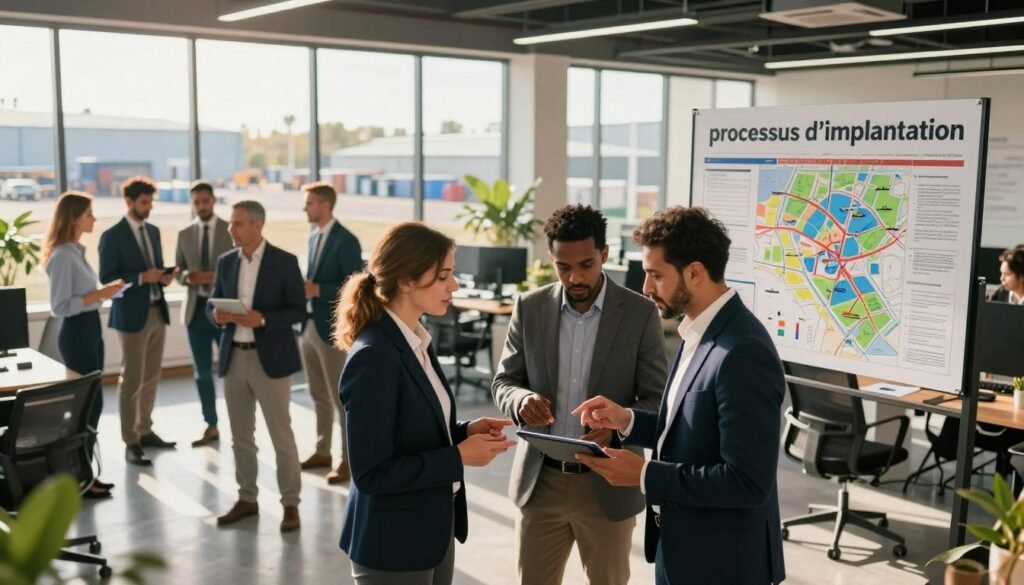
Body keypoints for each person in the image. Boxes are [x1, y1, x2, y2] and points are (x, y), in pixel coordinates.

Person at [573, 207, 786, 585]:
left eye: (656, 275)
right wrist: (627, 420)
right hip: (683, 549)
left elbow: (747, 482)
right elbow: (691, 427)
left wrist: (644, 474)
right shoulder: (697, 332)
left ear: (695, 272)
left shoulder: (742, 351)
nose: (646, 287)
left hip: (723, 565)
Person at [491, 204, 666, 585]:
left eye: (586, 264)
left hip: (608, 483)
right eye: (563, 267)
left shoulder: (639, 313)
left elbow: (657, 399)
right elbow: (504, 381)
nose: (575, 277)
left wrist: (619, 426)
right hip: (541, 483)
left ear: (604, 254)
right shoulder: (529, 307)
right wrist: (520, 401)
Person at [336, 222, 516, 585]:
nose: (455, 285)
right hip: (393, 542)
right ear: (406, 280)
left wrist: (464, 431)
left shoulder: (416, 339)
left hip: (432, 529)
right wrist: (459, 457)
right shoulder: (374, 356)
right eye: (444, 276)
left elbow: (412, 429)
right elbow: (372, 473)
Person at [208, 200, 306, 533]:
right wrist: (217, 315)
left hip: (271, 360)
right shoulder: (225, 263)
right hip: (234, 356)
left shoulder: (284, 262)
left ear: (257, 225)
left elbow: (298, 311)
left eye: (237, 223)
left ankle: (290, 504)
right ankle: (247, 498)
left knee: (281, 436)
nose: (230, 229)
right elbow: (214, 302)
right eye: (231, 224)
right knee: (240, 437)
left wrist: (262, 318)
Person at [44, 191, 125, 498]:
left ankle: (85, 473)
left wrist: (104, 292)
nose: (93, 219)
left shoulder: (77, 252)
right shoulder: (63, 255)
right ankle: (79, 476)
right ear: (74, 218)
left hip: (90, 329)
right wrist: (100, 295)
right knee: (88, 406)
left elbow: (84, 296)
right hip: (77, 332)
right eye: (89, 214)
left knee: (92, 404)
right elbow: (60, 306)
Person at [98, 176, 177, 466]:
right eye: (145, 203)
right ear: (129, 202)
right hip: (131, 315)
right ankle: (130, 440)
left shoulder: (153, 232)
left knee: (152, 376)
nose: (149, 207)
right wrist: (144, 277)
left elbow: (154, 269)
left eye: (151, 202)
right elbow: (107, 279)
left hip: (157, 309)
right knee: (132, 378)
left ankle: (145, 429)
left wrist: (164, 277)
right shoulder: (112, 236)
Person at [297, 181, 363, 484]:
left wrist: (317, 289)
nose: (305, 208)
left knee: (341, 399)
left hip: (332, 329)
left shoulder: (346, 240)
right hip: (309, 324)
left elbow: (352, 287)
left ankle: (348, 460)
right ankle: (322, 450)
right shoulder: (314, 236)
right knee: (317, 394)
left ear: (325, 205)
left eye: (309, 203)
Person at [175, 181, 233, 447]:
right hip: (195, 310)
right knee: (202, 372)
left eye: (205, 201)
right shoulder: (184, 233)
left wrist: (213, 276)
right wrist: (189, 276)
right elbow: (178, 271)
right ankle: (211, 424)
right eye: (196, 202)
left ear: (213, 200)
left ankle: (239, 423)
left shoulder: (230, 229)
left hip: (224, 310)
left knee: (231, 369)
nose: (201, 206)